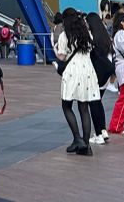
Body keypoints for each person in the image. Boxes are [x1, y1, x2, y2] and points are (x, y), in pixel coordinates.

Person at [54, 8, 99, 155]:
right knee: (84, 107)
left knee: (66, 105)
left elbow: (61, 56)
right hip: (87, 70)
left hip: (73, 71)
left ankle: (77, 138)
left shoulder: (64, 35)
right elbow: (91, 49)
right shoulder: (86, 33)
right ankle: (86, 145)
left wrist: (55, 50)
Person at [85, 12, 113, 145]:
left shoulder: (93, 38)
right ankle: (103, 130)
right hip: (105, 75)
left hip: (96, 75)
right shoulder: (105, 37)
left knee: (94, 104)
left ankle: (98, 134)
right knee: (98, 102)